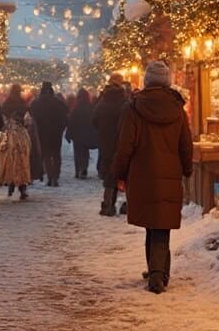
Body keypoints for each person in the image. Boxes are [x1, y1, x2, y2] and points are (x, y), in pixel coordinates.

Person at [111, 61, 193, 295]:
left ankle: (156, 273)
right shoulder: (177, 109)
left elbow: (125, 145)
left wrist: (119, 172)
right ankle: (158, 271)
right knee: (161, 226)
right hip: (169, 174)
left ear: (147, 81)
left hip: (142, 174)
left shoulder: (134, 108)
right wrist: (187, 169)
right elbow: (185, 144)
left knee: (152, 224)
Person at [93, 73, 127, 215]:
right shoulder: (124, 103)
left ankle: (108, 205)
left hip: (106, 143)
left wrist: (103, 130)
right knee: (124, 173)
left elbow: (94, 120)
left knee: (109, 173)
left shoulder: (102, 104)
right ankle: (126, 204)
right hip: (121, 142)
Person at [31, 81, 69, 187]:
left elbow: (32, 116)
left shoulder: (36, 103)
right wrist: (61, 128)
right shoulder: (58, 102)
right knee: (56, 155)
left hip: (43, 133)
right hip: (56, 133)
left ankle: (50, 176)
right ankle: (55, 177)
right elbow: (66, 114)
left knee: (47, 155)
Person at [0, 110, 32, 200]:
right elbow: (28, 142)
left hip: (10, 151)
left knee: (11, 169)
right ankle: (22, 189)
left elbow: (0, 142)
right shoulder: (22, 130)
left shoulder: (6, 129)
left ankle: (11, 187)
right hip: (21, 151)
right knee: (22, 169)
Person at [66, 88, 95, 179]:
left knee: (78, 153)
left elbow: (71, 122)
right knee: (85, 152)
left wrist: (69, 134)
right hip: (86, 133)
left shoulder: (76, 108)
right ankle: (84, 169)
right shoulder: (90, 107)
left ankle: (78, 170)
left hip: (77, 135)